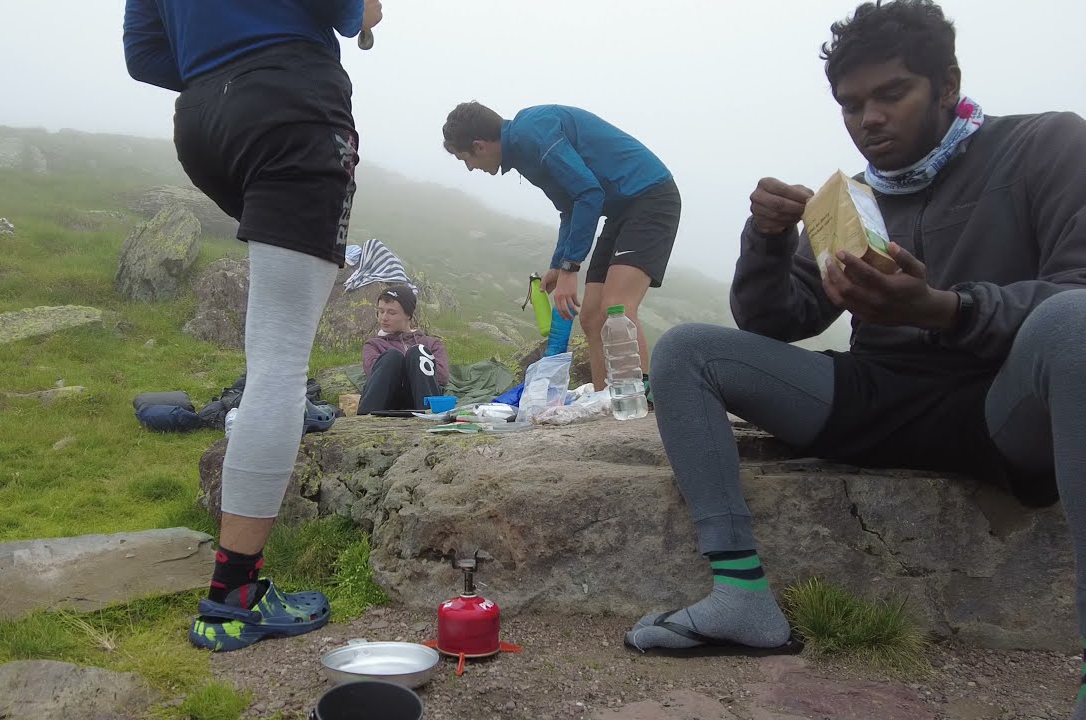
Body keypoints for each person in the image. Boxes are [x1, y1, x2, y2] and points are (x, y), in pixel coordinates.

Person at [629, 1, 1086, 714]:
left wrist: (945, 308)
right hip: (879, 400)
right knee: (687, 350)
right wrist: (768, 240)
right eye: (850, 104)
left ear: (946, 84)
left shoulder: (1048, 145)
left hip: (1003, 407)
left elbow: (1075, 292)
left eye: (891, 94)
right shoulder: (855, 199)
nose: (868, 119)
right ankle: (741, 599)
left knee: (1075, 321)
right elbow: (778, 321)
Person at [123, 0, 382, 652]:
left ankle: (236, 582)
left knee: (273, 351)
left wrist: (218, 63)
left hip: (204, 122)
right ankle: (233, 599)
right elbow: (343, 11)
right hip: (290, 104)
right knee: (280, 364)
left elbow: (144, 57)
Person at [441, 102, 681, 394]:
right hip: (619, 209)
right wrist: (558, 264)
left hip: (650, 196)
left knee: (616, 307)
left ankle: (642, 399)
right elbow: (570, 207)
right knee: (591, 317)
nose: (470, 168)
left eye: (465, 159)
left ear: (479, 146)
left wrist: (570, 268)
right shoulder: (522, 151)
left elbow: (588, 193)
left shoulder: (532, 132)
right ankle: (604, 401)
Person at [357, 285, 450, 414]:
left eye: (392, 313)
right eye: (381, 311)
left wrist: (414, 364)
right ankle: (365, 418)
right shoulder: (373, 345)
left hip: (420, 398)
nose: (384, 318)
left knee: (418, 353)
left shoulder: (432, 344)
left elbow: (442, 377)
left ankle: (429, 415)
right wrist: (396, 363)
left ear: (408, 315)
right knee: (392, 357)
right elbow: (374, 376)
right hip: (386, 401)